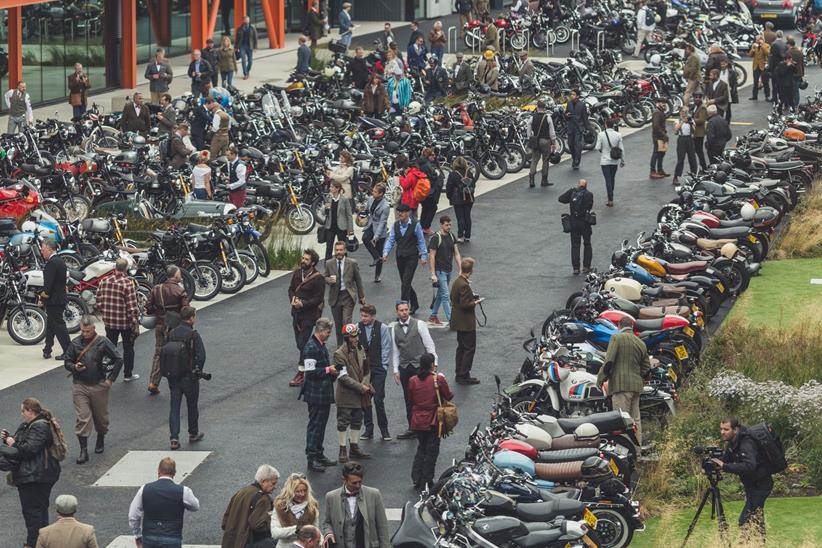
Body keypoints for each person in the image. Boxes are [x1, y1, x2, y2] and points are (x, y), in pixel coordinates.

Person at [2, 398, 62, 548]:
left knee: (32, 513)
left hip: (35, 476)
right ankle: (41, 542)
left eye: (23, 411)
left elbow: (27, 450)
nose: (21, 414)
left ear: (30, 411)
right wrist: (8, 439)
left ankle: (33, 544)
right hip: (37, 475)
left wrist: (11, 444)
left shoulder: (40, 427)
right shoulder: (30, 425)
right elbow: (21, 444)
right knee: (39, 511)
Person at [63, 316, 122, 464]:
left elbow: (118, 359)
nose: (84, 334)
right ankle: (83, 450)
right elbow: (67, 361)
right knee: (83, 418)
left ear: (94, 329)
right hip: (79, 385)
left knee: (101, 419)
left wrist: (110, 380)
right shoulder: (75, 343)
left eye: (87, 331)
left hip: (99, 385)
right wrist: (73, 367)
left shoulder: (103, 342)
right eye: (83, 331)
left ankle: (101, 436)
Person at [710, 417, 774, 539]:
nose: (722, 432)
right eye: (721, 429)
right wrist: (714, 464)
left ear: (735, 429)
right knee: (756, 519)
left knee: (745, 520)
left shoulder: (746, 442)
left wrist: (724, 466)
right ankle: (758, 544)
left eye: (726, 429)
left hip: (761, 485)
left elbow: (750, 465)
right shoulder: (732, 443)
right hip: (751, 485)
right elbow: (726, 460)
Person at [596, 316, 651, 448]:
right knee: (634, 421)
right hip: (636, 387)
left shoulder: (616, 338)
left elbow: (609, 362)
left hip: (621, 387)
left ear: (620, 326)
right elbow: (646, 369)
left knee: (622, 422)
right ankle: (637, 452)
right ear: (631, 327)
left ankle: (625, 453)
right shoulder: (640, 342)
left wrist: (600, 379)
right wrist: (640, 380)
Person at [128, 457, 200, 547]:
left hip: (150, 537)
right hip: (172, 537)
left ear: (158, 471)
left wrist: (138, 535)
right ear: (174, 473)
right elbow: (195, 506)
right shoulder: (184, 491)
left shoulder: (144, 489)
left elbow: (133, 516)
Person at [391, 301, 437, 439]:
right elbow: (395, 350)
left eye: (406, 310)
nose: (404, 312)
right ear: (397, 312)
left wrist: (434, 364)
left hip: (419, 367)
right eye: (401, 310)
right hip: (404, 367)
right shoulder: (394, 328)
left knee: (423, 397)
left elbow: (429, 345)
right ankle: (412, 427)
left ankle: (427, 425)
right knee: (408, 398)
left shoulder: (419, 324)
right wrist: (395, 369)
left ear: (409, 310)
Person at [408, 353, 454, 490]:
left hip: (417, 420)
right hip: (433, 421)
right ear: (431, 365)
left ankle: (417, 477)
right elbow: (449, 396)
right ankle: (427, 480)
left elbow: (410, 399)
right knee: (432, 451)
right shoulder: (437, 379)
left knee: (421, 448)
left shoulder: (412, 380)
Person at [299, 318, 339, 472]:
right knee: (315, 425)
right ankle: (312, 457)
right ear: (321, 331)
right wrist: (328, 370)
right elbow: (310, 372)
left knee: (321, 426)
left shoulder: (320, 345)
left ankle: (319, 454)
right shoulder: (310, 347)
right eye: (328, 332)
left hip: (323, 393)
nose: (329, 335)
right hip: (315, 394)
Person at [321, 462, 390, 548]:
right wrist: (328, 533)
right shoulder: (331, 497)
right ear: (344, 480)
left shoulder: (374, 494)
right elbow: (327, 522)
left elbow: (382, 527)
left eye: (360, 482)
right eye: (354, 483)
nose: (358, 486)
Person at [165, 306, 206, 451]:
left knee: (174, 407)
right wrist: (197, 371)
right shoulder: (193, 334)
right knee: (192, 405)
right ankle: (193, 433)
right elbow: (201, 356)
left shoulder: (172, 332)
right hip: (189, 377)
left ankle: (174, 438)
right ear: (191, 317)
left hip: (173, 376)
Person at [146, 265, 190, 395]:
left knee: (159, 353)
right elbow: (185, 310)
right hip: (174, 327)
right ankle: (181, 381)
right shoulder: (180, 291)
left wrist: (159, 312)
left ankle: (153, 382)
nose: (181, 276)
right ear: (176, 276)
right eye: (180, 274)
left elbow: (148, 307)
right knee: (180, 352)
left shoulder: (157, 288)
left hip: (160, 325)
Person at [96, 257, 140, 382]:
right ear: (126, 269)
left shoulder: (104, 281)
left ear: (115, 267)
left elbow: (98, 301)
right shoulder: (127, 283)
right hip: (125, 323)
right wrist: (135, 323)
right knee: (128, 348)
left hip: (109, 322)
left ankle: (106, 373)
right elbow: (132, 307)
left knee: (110, 349)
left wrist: (105, 312)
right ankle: (128, 374)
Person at [333, 323, 372, 463]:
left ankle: (354, 447)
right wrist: (361, 387)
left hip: (359, 393)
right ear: (346, 338)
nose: (356, 339)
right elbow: (342, 377)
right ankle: (342, 449)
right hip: (346, 396)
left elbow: (367, 370)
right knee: (343, 422)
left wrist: (365, 383)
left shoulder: (360, 349)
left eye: (356, 336)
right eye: (352, 337)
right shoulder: (338, 354)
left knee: (357, 420)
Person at [382, 204, 429, 315]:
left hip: (411, 257)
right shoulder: (396, 225)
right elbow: (391, 239)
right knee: (405, 282)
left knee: (406, 283)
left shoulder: (415, 225)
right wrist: (385, 252)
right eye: (398, 212)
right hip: (400, 257)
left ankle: (403, 310)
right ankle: (415, 303)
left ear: (408, 213)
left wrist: (424, 256)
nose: (400, 214)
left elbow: (421, 241)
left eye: (402, 212)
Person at [288, 249, 325, 387]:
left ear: (313, 262)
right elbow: (291, 289)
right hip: (296, 314)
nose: (303, 261)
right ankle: (316, 358)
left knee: (303, 343)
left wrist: (303, 304)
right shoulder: (297, 273)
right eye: (303, 258)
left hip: (309, 315)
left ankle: (301, 372)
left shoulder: (318, 278)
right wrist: (293, 300)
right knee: (299, 343)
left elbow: (318, 298)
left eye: (306, 259)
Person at [222, 465, 279, 548]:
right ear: (263, 481)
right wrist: (273, 522)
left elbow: (224, 523)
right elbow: (257, 525)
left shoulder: (240, 492)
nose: (275, 487)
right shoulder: (263, 499)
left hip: (230, 543)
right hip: (249, 543)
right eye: (273, 483)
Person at [358, 304, 392, 441]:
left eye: (366, 316)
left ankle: (384, 430)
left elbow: (386, 346)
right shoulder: (357, 327)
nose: (363, 318)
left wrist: (383, 365)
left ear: (373, 316)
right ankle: (368, 429)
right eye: (362, 315)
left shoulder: (382, 328)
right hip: (365, 370)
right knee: (366, 400)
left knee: (378, 400)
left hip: (378, 368)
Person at [325, 241, 366, 345]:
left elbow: (358, 280)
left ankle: (349, 345)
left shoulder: (352, 263)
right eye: (337, 250)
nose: (339, 252)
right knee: (338, 325)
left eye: (341, 250)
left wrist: (362, 296)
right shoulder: (329, 263)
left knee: (346, 323)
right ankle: (340, 348)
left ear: (345, 250)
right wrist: (329, 280)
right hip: (335, 297)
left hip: (348, 296)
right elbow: (324, 277)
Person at [450, 257, 481, 384]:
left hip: (458, 321)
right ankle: (464, 375)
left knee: (461, 348)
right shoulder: (464, 285)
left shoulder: (458, 282)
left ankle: (460, 372)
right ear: (470, 271)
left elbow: (455, 299)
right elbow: (465, 304)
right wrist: (475, 302)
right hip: (466, 323)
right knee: (469, 348)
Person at [39, 238, 70, 361]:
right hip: (59, 298)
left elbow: (48, 285)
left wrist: (42, 297)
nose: (42, 252)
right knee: (51, 326)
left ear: (50, 249)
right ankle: (47, 349)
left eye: (43, 249)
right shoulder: (60, 261)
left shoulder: (52, 263)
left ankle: (68, 351)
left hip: (54, 300)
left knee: (59, 326)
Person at [428, 215, 462, 327]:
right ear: (441, 224)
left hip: (448, 270)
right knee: (446, 295)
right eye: (447, 225)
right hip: (440, 271)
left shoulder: (452, 236)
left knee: (441, 294)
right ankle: (452, 320)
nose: (449, 227)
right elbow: (432, 256)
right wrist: (433, 274)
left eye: (450, 224)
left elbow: (456, 253)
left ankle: (433, 316)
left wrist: (460, 268)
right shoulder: (436, 238)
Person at [270, 473, 321, 546]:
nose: (302, 494)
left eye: (304, 490)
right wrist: (296, 529)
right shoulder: (280, 507)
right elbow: (275, 533)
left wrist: (321, 542)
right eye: (298, 491)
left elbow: (316, 531)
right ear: (290, 492)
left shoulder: (312, 506)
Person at [558, 179, 594, 275]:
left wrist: (571, 190)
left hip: (574, 222)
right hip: (585, 222)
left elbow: (561, 199)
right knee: (587, 244)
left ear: (578, 185)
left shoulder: (572, 193)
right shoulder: (589, 194)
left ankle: (576, 268)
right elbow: (590, 206)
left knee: (575, 245)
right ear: (586, 186)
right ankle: (586, 267)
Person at [362, 184, 389, 283]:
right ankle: (376, 257)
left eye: (375, 192)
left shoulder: (385, 206)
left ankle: (377, 275)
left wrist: (376, 236)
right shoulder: (370, 199)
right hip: (371, 224)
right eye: (373, 191)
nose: (372, 192)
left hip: (380, 230)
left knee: (379, 250)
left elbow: (382, 222)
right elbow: (367, 210)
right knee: (365, 238)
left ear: (381, 194)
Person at [595, 119, 625, 207]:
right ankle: (611, 196)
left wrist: (602, 150)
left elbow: (597, 147)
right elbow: (622, 149)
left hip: (605, 161)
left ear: (605, 125)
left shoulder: (601, 135)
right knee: (612, 179)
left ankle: (610, 199)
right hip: (614, 161)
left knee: (607, 180)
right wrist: (622, 160)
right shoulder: (618, 135)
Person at [529, 100, 558, 188]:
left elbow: (528, 131)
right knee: (545, 160)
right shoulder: (548, 118)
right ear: (544, 108)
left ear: (537, 108)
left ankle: (531, 179)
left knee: (534, 160)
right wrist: (554, 143)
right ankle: (544, 180)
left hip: (536, 141)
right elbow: (552, 133)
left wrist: (530, 139)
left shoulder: (531, 118)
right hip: (545, 141)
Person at [322, 181, 354, 261]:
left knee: (342, 248)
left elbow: (349, 215)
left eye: (332, 187)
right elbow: (323, 213)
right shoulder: (328, 198)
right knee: (328, 248)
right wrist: (325, 208)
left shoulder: (344, 199)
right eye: (330, 187)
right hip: (330, 227)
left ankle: (345, 265)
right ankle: (327, 267)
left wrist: (350, 230)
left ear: (337, 188)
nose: (330, 188)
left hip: (341, 227)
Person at [446, 156, 474, 242]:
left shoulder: (453, 174)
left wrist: (449, 196)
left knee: (460, 218)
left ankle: (460, 235)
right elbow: (473, 185)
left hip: (457, 198)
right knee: (467, 217)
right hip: (469, 198)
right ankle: (468, 235)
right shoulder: (469, 172)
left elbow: (449, 187)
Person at [417, 147, 443, 233]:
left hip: (423, 190)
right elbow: (432, 177)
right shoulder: (427, 166)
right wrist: (437, 174)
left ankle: (422, 225)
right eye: (432, 155)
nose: (434, 156)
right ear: (428, 156)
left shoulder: (422, 164)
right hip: (430, 190)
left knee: (425, 208)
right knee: (432, 208)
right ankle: (426, 227)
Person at [673, 107, 698, 185]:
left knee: (692, 158)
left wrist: (690, 123)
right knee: (680, 159)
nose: (684, 113)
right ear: (680, 112)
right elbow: (676, 131)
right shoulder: (677, 120)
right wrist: (682, 122)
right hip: (681, 139)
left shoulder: (691, 120)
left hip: (689, 139)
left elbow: (694, 131)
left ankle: (694, 175)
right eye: (682, 112)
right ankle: (676, 177)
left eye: (685, 112)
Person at [565, 89, 587, 170]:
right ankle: (574, 158)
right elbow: (566, 113)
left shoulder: (582, 105)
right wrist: (566, 115)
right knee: (570, 144)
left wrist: (587, 128)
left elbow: (585, 117)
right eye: (571, 94)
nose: (571, 96)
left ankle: (577, 160)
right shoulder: (569, 103)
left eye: (573, 94)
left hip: (578, 127)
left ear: (577, 96)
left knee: (577, 145)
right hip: (570, 127)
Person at [650, 97, 669, 179]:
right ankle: (653, 171)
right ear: (658, 104)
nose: (664, 104)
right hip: (658, 137)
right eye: (662, 102)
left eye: (665, 102)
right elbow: (656, 126)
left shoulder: (661, 112)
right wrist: (663, 135)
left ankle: (660, 170)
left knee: (661, 153)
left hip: (661, 136)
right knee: (656, 153)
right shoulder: (657, 113)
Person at [235, 16, 258, 80]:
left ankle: (247, 71)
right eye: (246, 20)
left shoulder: (252, 28)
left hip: (250, 46)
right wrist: (236, 47)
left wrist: (255, 47)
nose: (247, 22)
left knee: (250, 61)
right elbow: (237, 39)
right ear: (243, 21)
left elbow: (255, 38)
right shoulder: (239, 29)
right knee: (243, 60)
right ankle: (245, 74)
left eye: (248, 20)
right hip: (242, 46)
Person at [748, 35, 771, 101]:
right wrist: (752, 50)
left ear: (761, 39)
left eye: (757, 39)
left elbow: (768, 53)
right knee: (755, 82)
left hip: (763, 66)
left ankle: (767, 96)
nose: (756, 41)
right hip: (756, 66)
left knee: (765, 82)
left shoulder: (766, 45)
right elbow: (750, 55)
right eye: (756, 39)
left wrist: (762, 46)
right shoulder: (754, 45)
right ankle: (754, 96)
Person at [692, 90, 708, 170]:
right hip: (696, 132)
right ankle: (702, 166)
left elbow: (702, 120)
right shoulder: (696, 106)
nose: (697, 99)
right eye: (695, 97)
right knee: (698, 151)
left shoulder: (702, 107)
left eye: (699, 97)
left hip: (699, 133)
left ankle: (704, 167)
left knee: (699, 151)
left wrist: (692, 120)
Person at [788, 37, 805, 107]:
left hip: (791, 73)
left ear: (789, 44)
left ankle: (793, 104)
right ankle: (796, 104)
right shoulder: (799, 52)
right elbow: (802, 63)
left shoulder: (788, 52)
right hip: (799, 72)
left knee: (791, 89)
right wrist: (803, 73)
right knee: (796, 89)